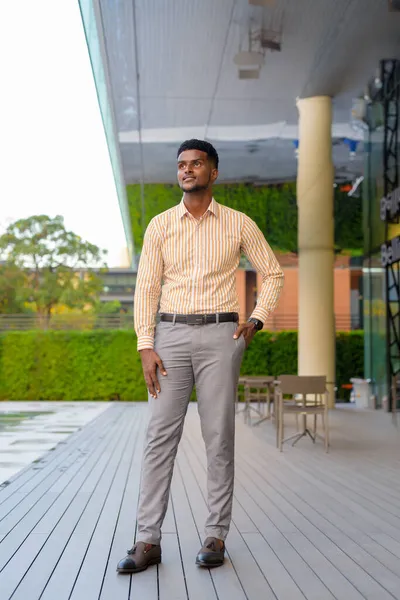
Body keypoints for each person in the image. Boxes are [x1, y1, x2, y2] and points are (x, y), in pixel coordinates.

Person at [117, 139, 284, 574]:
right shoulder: (160, 226)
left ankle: (215, 534)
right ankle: (147, 540)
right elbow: (147, 288)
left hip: (220, 336)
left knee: (218, 438)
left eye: (196, 164)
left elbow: (273, 272)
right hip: (169, 335)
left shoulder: (238, 223)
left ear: (213, 172)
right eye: (181, 165)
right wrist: (145, 343)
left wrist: (258, 318)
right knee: (159, 439)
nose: (187, 170)